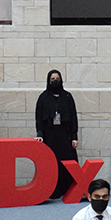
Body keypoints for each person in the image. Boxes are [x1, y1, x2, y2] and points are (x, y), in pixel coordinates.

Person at [35, 69, 79, 199]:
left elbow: (73, 117)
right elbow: (38, 118)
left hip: (65, 136)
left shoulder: (67, 96)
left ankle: (68, 189)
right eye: (52, 79)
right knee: (52, 163)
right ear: (49, 81)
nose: (55, 81)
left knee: (67, 162)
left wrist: (74, 137)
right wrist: (40, 133)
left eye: (57, 78)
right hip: (50, 136)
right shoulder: (43, 97)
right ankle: (53, 190)